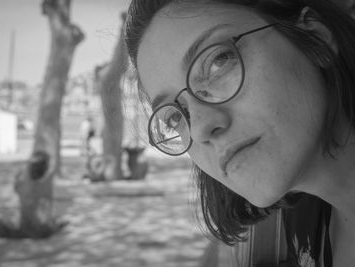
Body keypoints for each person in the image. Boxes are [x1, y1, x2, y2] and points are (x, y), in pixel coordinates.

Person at [124, 0, 355, 266]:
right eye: (175, 117)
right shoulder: (304, 223)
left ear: (315, 38)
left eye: (218, 62)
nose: (200, 128)